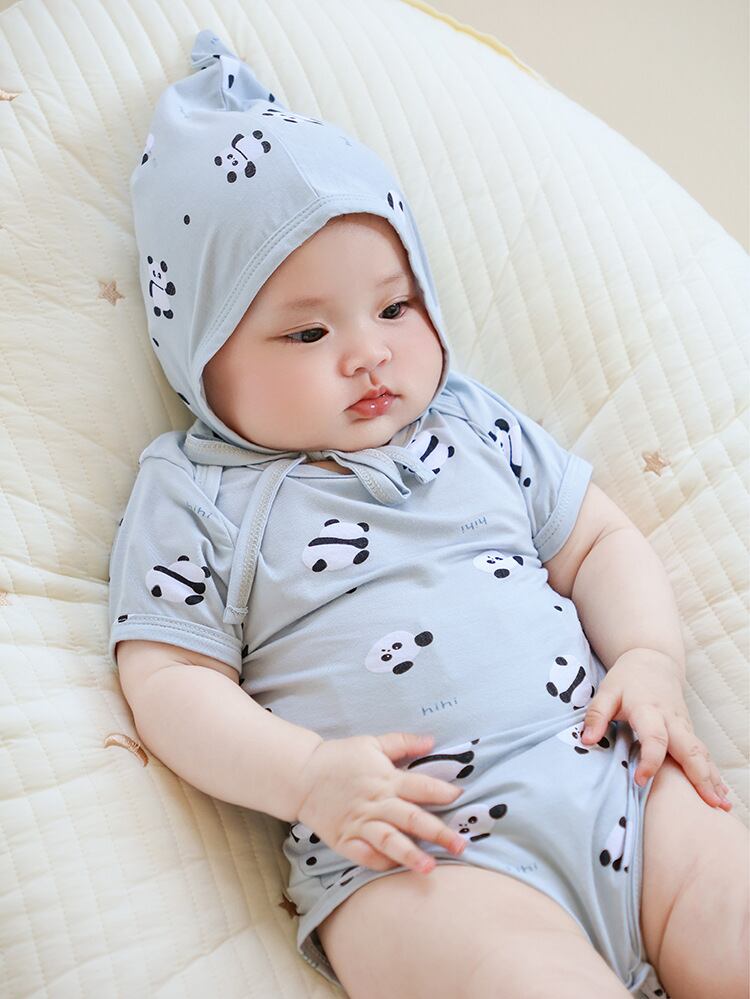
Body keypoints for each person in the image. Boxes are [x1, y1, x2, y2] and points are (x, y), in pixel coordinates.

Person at [109, 29, 748, 999]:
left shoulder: (473, 422)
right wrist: (305, 776)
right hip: (416, 850)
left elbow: (599, 540)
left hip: (612, 775)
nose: (368, 352)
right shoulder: (198, 491)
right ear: (201, 356)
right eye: (308, 330)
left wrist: (650, 657)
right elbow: (167, 678)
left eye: (395, 308)